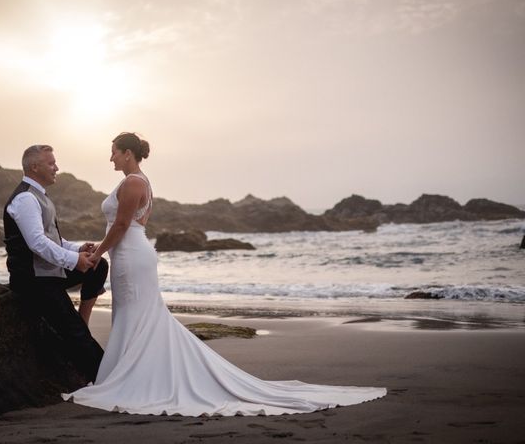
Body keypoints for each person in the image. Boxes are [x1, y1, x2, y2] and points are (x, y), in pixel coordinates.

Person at [63, 133, 386, 416]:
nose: (111, 157)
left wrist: (99, 253)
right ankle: (129, 372)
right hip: (130, 253)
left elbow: (122, 226)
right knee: (133, 315)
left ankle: (135, 378)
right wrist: (102, 246)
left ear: (127, 153)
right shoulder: (136, 182)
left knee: (139, 314)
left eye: (114, 152)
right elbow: (123, 226)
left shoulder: (134, 182)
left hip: (132, 255)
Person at [3, 144, 109, 383]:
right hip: (32, 280)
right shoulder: (25, 198)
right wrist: (74, 262)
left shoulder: (39, 196)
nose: (56, 167)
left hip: (48, 273)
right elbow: (38, 243)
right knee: (75, 332)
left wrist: (78, 250)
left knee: (98, 265)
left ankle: (82, 318)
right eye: (50, 163)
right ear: (34, 166)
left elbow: (54, 239)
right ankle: (105, 379)